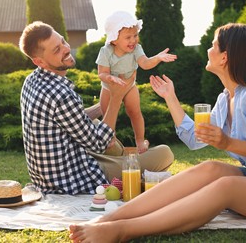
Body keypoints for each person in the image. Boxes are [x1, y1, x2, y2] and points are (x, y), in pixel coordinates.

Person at [69, 23, 246, 242]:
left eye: (213, 45)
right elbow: (194, 138)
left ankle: (123, 230)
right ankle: (109, 219)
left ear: (225, 57)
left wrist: (229, 143)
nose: (208, 49)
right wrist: (171, 97)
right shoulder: (226, 99)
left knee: (226, 186)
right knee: (210, 167)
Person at [19, 21, 174, 195]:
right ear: (39, 61)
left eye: (62, 41)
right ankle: (132, 174)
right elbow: (101, 143)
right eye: (56, 50)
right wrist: (116, 97)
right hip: (77, 178)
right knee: (165, 153)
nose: (66, 48)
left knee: (95, 123)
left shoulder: (31, 81)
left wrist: (104, 105)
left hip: (54, 174)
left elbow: (71, 120)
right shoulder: (61, 94)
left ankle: (131, 166)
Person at [96, 11, 177, 153]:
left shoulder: (136, 50)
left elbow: (145, 63)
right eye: (128, 37)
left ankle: (140, 141)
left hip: (129, 86)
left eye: (135, 35)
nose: (133, 40)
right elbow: (102, 73)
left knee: (135, 112)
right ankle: (111, 139)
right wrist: (110, 78)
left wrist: (157, 58)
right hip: (109, 88)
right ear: (114, 39)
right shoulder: (106, 51)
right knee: (107, 113)